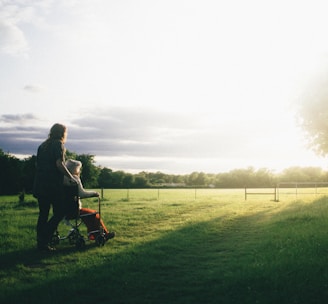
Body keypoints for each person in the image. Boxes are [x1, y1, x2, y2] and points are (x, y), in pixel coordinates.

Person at [33, 123, 77, 252]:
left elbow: (38, 164)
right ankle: (45, 237)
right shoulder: (58, 144)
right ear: (62, 133)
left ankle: (41, 243)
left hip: (40, 184)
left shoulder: (42, 146)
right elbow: (59, 164)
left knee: (43, 214)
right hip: (51, 186)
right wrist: (71, 177)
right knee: (59, 212)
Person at [64, 159, 115, 242]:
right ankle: (102, 234)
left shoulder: (61, 178)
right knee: (93, 214)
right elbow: (82, 194)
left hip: (62, 210)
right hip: (73, 209)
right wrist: (94, 193)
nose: (79, 171)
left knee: (89, 214)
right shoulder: (74, 179)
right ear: (74, 169)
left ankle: (97, 234)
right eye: (78, 169)